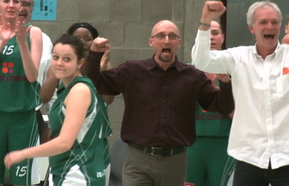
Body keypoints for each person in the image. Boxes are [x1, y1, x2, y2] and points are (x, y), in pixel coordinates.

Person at [85, 20, 234, 186]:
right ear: (151, 42)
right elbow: (95, 83)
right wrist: (94, 55)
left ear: (178, 43)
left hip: (174, 161)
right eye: (161, 36)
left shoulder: (192, 77)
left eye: (172, 36)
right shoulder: (132, 71)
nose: (167, 40)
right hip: (138, 159)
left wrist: (225, 83)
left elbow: (223, 105)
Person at [192, 1, 289, 185]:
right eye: (263, 22)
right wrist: (205, 21)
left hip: (286, 158)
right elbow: (201, 61)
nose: (270, 27)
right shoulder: (237, 58)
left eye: (274, 22)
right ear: (251, 28)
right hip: (249, 158)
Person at [4, 34, 108, 186]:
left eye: (67, 59)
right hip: (66, 168)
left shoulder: (79, 90)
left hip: (80, 172)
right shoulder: (67, 87)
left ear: (80, 63)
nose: (59, 63)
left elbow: (64, 142)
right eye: (56, 57)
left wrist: (23, 153)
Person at [40, 22, 114, 186]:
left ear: (95, 42)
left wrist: (101, 69)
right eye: (77, 38)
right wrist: (56, 72)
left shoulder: (104, 65)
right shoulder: (59, 66)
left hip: (95, 140)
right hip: (66, 140)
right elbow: (44, 97)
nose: (83, 42)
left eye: (88, 39)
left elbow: (109, 99)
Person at [0, 0, 42, 186]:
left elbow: (32, 76)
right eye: (6, 1)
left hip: (22, 119)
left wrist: (22, 44)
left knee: (21, 180)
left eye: (17, 1)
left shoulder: (33, 32)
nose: (11, 5)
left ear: (21, 6)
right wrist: (2, 42)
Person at [185, 20, 236, 186]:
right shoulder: (186, 72)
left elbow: (240, 115)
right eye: (207, 34)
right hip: (192, 144)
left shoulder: (235, 71)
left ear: (223, 37)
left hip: (223, 144)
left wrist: (216, 93)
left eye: (215, 33)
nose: (211, 38)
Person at [18, 0, 53, 144]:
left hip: (32, 116)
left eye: (26, 4)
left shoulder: (44, 40)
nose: (21, 8)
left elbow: (51, 83)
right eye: (14, 2)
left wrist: (50, 125)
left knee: (29, 165)